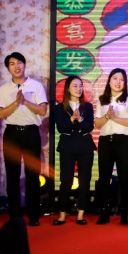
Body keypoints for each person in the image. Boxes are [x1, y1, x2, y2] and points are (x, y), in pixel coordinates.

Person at [0, 52, 48, 227]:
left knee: (33, 175)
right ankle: (15, 215)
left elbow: (42, 111)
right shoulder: (3, 89)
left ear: (25, 65)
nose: (16, 66)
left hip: (31, 133)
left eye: (19, 62)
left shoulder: (36, 86)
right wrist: (15, 103)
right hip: (12, 134)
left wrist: (25, 102)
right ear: (8, 68)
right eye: (12, 64)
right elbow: (1, 114)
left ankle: (33, 215)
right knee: (12, 175)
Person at [94, 68, 128, 225]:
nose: (118, 82)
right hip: (106, 141)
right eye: (115, 78)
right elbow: (97, 123)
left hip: (124, 141)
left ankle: (125, 212)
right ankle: (104, 212)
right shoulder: (102, 100)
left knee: (124, 177)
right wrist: (107, 116)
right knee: (104, 177)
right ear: (109, 81)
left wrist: (115, 118)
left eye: (122, 79)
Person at [52, 76, 96, 226]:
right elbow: (61, 127)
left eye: (80, 86)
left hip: (85, 146)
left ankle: (81, 214)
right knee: (66, 180)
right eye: (75, 86)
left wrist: (80, 120)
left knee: (85, 180)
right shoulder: (59, 107)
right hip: (67, 146)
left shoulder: (87, 106)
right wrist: (71, 119)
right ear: (68, 88)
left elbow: (89, 127)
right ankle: (62, 215)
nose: (78, 89)